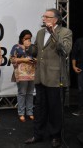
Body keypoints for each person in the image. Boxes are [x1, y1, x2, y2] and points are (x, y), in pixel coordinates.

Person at [25, 8, 72, 148]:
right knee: (40, 108)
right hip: (40, 76)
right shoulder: (40, 33)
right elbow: (36, 51)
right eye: (43, 16)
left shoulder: (65, 32)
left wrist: (53, 34)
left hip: (55, 78)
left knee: (55, 109)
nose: (43, 18)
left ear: (55, 19)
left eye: (46, 16)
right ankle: (37, 134)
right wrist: (29, 48)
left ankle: (55, 136)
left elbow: (65, 51)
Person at [10, 30, 35, 122]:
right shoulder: (16, 47)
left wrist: (34, 59)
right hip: (21, 73)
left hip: (32, 72)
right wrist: (24, 59)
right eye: (26, 38)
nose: (28, 40)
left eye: (29, 38)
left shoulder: (33, 47)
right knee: (22, 93)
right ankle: (21, 113)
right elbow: (12, 60)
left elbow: (37, 57)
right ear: (21, 38)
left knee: (30, 93)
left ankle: (30, 112)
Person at [71, 37, 83, 116]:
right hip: (81, 68)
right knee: (81, 90)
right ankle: (80, 109)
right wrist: (74, 66)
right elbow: (74, 55)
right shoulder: (79, 41)